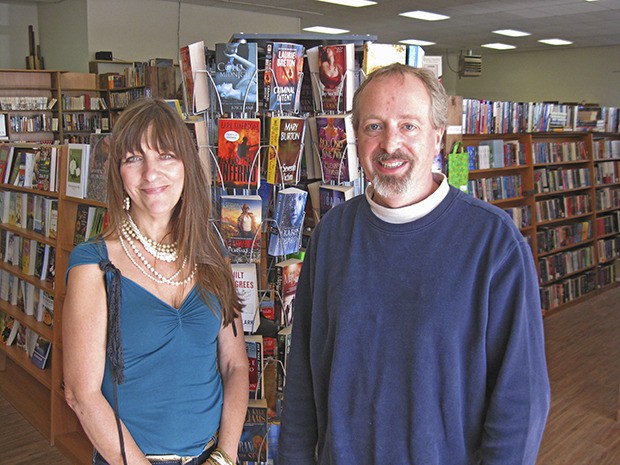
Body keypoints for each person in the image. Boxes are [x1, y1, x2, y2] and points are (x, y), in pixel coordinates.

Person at [278, 63, 550, 465]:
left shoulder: (493, 243)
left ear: (437, 136)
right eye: (374, 126)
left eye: (409, 126)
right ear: (356, 138)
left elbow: (521, 402)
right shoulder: (331, 236)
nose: (390, 144)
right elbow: (301, 378)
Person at [63, 98, 249, 465]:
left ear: (186, 166)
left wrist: (224, 456)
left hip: (212, 455)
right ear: (118, 172)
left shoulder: (212, 255)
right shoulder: (94, 265)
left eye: (165, 155)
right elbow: (80, 395)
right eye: (134, 158)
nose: (151, 173)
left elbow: (235, 366)